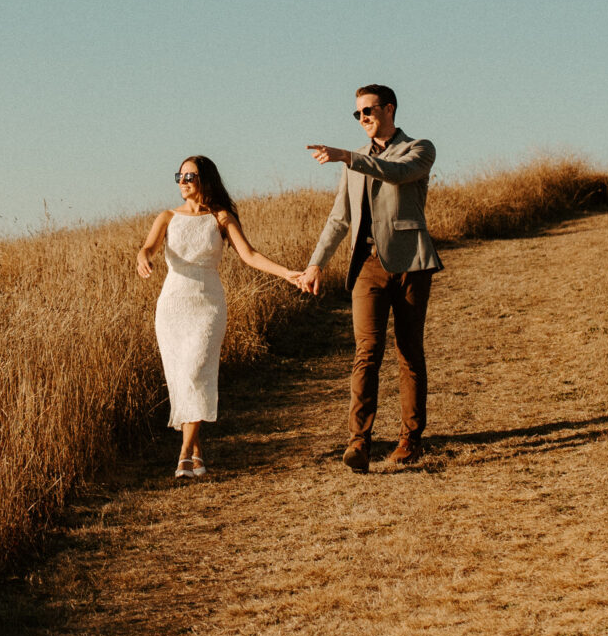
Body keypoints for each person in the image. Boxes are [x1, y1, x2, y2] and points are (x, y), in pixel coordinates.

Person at [134, 154, 306, 477]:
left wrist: (287, 274)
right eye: (180, 177)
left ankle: (184, 451)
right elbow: (148, 247)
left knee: (197, 368)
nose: (183, 183)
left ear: (205, 179)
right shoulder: (167, 217)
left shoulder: (221, 218)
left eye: (190, 176)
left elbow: (250, 254)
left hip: (208, 304)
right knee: (182, 378)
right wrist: (142, 258)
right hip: (172, 306)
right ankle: (196, 450)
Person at [300, 84, 441, 472]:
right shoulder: (356, 160)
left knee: (409, 350)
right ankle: (358, 442)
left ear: (389, 109)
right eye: (357, 113)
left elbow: (398, 174)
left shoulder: (419, 148)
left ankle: (410, 437)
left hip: (411, 262)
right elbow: (339, 218)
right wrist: (316, 263)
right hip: (367, 267)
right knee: (366, 353)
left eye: (368, 111)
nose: (362, 119)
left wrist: (348, 157)